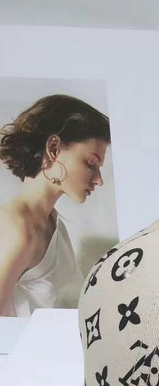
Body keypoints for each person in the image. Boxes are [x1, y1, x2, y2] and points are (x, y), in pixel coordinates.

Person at [0, 94, 110, 317]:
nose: (99, 180)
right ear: (53, 148)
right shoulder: (17, 227)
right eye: (91, 163)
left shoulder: (51, 222)